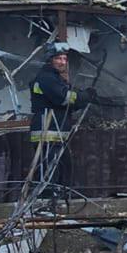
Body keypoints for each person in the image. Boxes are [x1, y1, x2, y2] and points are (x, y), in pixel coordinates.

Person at [29, 42, 97, 194]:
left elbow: (68, 105)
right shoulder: (46, 77)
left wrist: (83, 100)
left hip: (57, 132)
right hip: (47, 132)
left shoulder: (56, 78)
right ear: (49, 60)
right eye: (58, 58)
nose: (62, 62)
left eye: (64, 59)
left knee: (64, 170)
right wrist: (84, 96)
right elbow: (64, 98)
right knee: (48, 173)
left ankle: (59, 198)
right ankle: (45, 199)